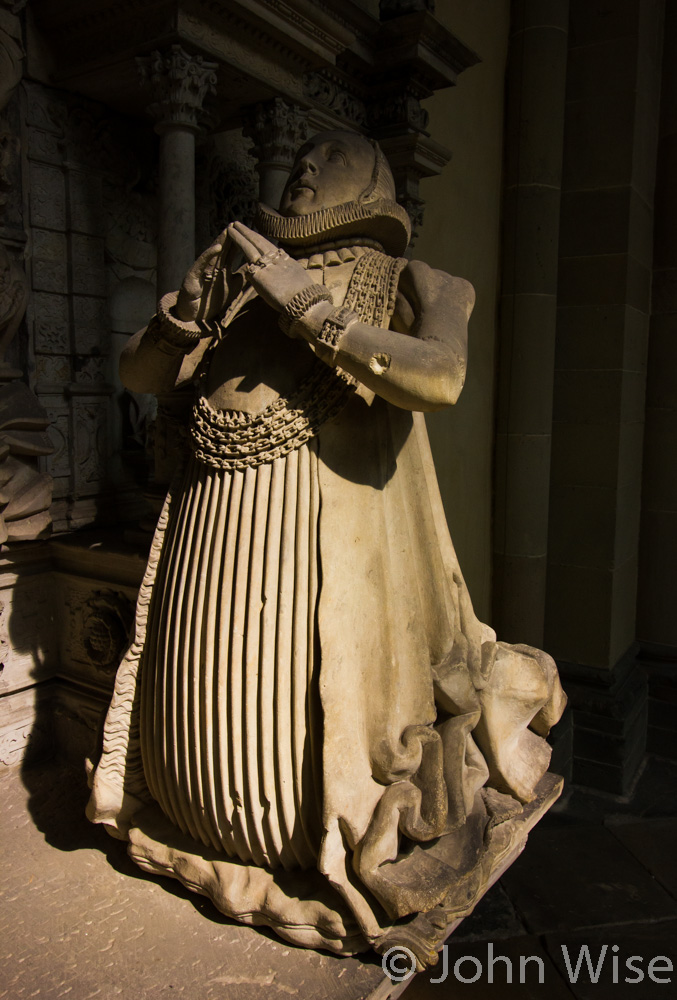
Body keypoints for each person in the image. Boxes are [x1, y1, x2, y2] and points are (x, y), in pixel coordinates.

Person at [87, 131, 565, 966]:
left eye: (328, 153)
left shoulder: (420, 279)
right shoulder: (233, 290)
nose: (303, 166)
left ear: (376, 175)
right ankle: (204, 813)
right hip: (216, 534)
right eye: (296, 157)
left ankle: (289, 828)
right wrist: (185, 316)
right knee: (199, 724)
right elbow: (138, 376)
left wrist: (305, 301)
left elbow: (437, 377)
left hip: (322, 550)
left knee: (306, 749)